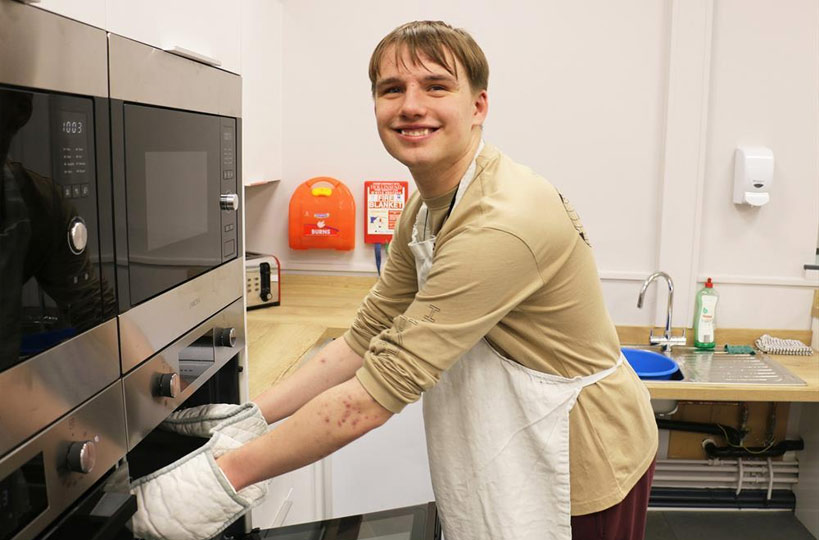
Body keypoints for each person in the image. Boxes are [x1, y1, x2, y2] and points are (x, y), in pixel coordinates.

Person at [130, 20, 658, 540]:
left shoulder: (503, 222)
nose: (410, 106)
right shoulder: (425, 210)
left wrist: (221, 479)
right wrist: (253, 418)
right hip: (513, 434)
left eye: (436, 86)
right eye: (392, 89)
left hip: (577, 460)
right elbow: (365, 338)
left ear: (478, 107)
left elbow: (376, 392)